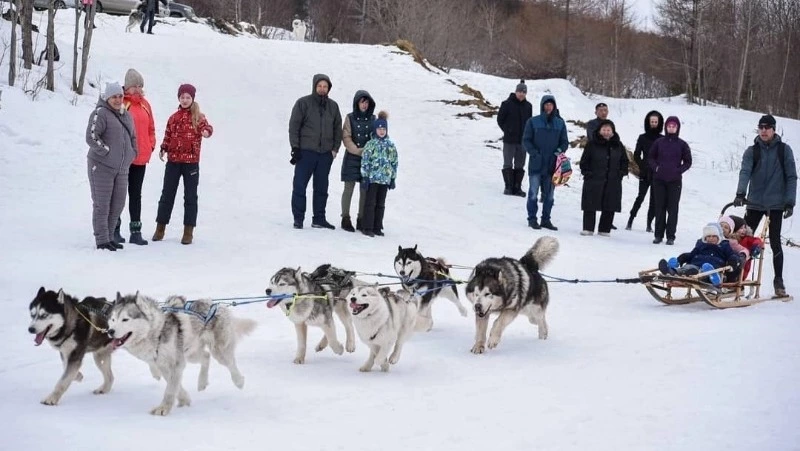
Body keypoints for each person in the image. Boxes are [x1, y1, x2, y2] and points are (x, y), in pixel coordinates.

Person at [734, 114, 797, 297]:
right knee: (743, 241)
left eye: (767, 127)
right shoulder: (752, 151)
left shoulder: (784, 150)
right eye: (761, 127)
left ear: (773, 129)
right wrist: (740, 193)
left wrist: (789, 202)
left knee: (775, 242)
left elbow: (791, 177)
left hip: (776, 205)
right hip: (754, 203)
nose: (763, 130)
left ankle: (779, 282)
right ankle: (737, 278)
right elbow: (745, 172)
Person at [153, 84, 213, 245]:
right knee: (167, 195)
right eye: (182, 97)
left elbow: (207, 127)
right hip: (173, 162)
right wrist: (163, 148)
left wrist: (206, 132)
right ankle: (160, 228)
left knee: (190, 196)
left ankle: (188, 231)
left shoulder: (198, 117)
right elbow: (168, 135)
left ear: (192, 99)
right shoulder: (173, 118)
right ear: (179, 99)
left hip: (191, 163)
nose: (185, 100)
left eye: (188, 97)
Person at [86, 82, 137, 251]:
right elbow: (91, 137)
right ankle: (102, 240)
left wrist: (132, 153)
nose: (117, 100)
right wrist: (106, 151)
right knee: (102, 204)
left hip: (121, 169)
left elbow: (133, 137)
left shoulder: (126, 115)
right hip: (101, 166)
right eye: (114, 97)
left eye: (120, 96)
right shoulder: (100, 113)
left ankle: (109, 237)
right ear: (107, 97)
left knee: (118, 204)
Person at [289, 74, 343, 230]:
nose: (322, 89)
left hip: (325, 154)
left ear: (329, 88)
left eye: (325, 86)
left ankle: (319, 218)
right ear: (314, 86)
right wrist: (295, 147)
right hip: (306, 152)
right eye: (319, 86)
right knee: (300, 186)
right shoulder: (303, 103)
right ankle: (298, 218)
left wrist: (334, 149)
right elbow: (294, 127)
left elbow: (337, 129)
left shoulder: (333, 107)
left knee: (321, 188)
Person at [113, 68, 156, 246]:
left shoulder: (146, 104)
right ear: (127, 87)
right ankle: (114, 228)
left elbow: (151, 128)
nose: (137, 89)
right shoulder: (122, 104)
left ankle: (135, 231)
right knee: (119, 194)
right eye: (134, 86)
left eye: (140, 86)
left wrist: (151, 145)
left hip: (141, 158)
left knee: (135, 194)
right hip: (124, 158)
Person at [522, 94, 568, 231]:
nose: (548, 107)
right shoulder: (533, 121)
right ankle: (532, 219)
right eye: (546, 104)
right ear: (542, 106)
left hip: (552, 165)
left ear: (554, 106)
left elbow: (564, 142)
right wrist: (534, 153)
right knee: (533, 193)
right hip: (536, 164)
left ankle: (546, 219)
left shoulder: (560, 123)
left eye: (551, 104)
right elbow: (526, 140)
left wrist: (559, 151)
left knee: (549, 195)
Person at [579, 120, 628, 236]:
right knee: (590, 203)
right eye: (604, 130)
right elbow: (584, 161)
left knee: (610, 203)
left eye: (608, 130)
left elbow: (624, 161)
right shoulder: (592, 144)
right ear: (599, 131)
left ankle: (604, 229)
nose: (606, 132)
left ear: (612, 131)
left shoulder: (618, 145)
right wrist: (587, 173)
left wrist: (621, 173)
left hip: (613, 180)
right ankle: (588, 228)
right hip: (593, 179)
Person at [648, 116, 691, 245]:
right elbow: (650, 157)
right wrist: (656, 168)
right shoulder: (659, 142)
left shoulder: (682, 144)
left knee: (672, 209)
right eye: (669, 126)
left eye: (674, 126)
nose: (671, 128)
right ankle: (658, 235)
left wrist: (678, 170)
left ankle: (670, 236)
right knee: (659, 207)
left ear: (677, 128)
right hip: (659, 180)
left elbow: (688, 162)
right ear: (666, 127)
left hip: (675, 181)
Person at [657, 223, 743, 285]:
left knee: (705, 270)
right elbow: (691, 254)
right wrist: (681, 258)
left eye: (714, 236)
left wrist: (733, 260)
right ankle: (671, 271)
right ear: (705, 238)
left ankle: (713, 277)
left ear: (719, 237)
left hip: (714, 267)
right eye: (708, 236)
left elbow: (732, 255)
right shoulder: (701, 245)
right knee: (688, 268)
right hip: (696, 264)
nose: (711, 239)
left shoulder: (724, 245)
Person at [340, 90, 375, 232]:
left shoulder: (373, 118)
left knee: (364, 190)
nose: (364, 105)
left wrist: (369, 151)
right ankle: (345, 218)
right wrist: (357, 150)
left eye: (367, 102)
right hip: (352, 157)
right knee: (348, 189)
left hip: (367, 160)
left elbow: (376, 137)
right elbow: (346, 136)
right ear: (357, 103)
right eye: (362, 102)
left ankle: (361, 218)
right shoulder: (350, 118)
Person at [359, 111, 398, 237]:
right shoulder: (371, 144)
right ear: (375, 130)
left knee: (381, 204)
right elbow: (365, 161)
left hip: (384, 179)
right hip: (373, 178)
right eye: (379, 129)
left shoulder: (390, 145)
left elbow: (394, 162)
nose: (381, 131)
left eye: (384, 129)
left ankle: (377, 226)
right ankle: (367, 226)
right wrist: (365, 176)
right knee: (370, 203)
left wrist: (392, 178)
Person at [626, 110, 663, 232]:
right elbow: (636, 155)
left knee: (654, 200)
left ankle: (649, 224)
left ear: (659, 123)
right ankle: (631, 219)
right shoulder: (642, 138)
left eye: (655, 122)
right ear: (648, 122)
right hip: (645, 172)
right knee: (640, 197)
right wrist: (642, 167)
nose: (653, 123)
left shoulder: (662, 139)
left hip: (657, 174)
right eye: (651, 121)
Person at [496, 79, 532, 196]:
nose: (521, 94)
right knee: (507, 163)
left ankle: (517, 187)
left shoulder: (528, 106)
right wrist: (507, 130)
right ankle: (508, 186)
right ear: (516, 92)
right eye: (520, 91)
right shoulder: (507, 104)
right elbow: (500, 119)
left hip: (522, 141)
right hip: (509, 140)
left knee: (520, 164)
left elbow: (529, 122)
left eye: (524, 92)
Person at [719, 215, 764, 279]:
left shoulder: (746, 239)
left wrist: (755, 247)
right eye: (741, 228)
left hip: (741, 268)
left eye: (745, 228)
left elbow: (757, 241)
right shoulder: (725, 239)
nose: (744, 230)